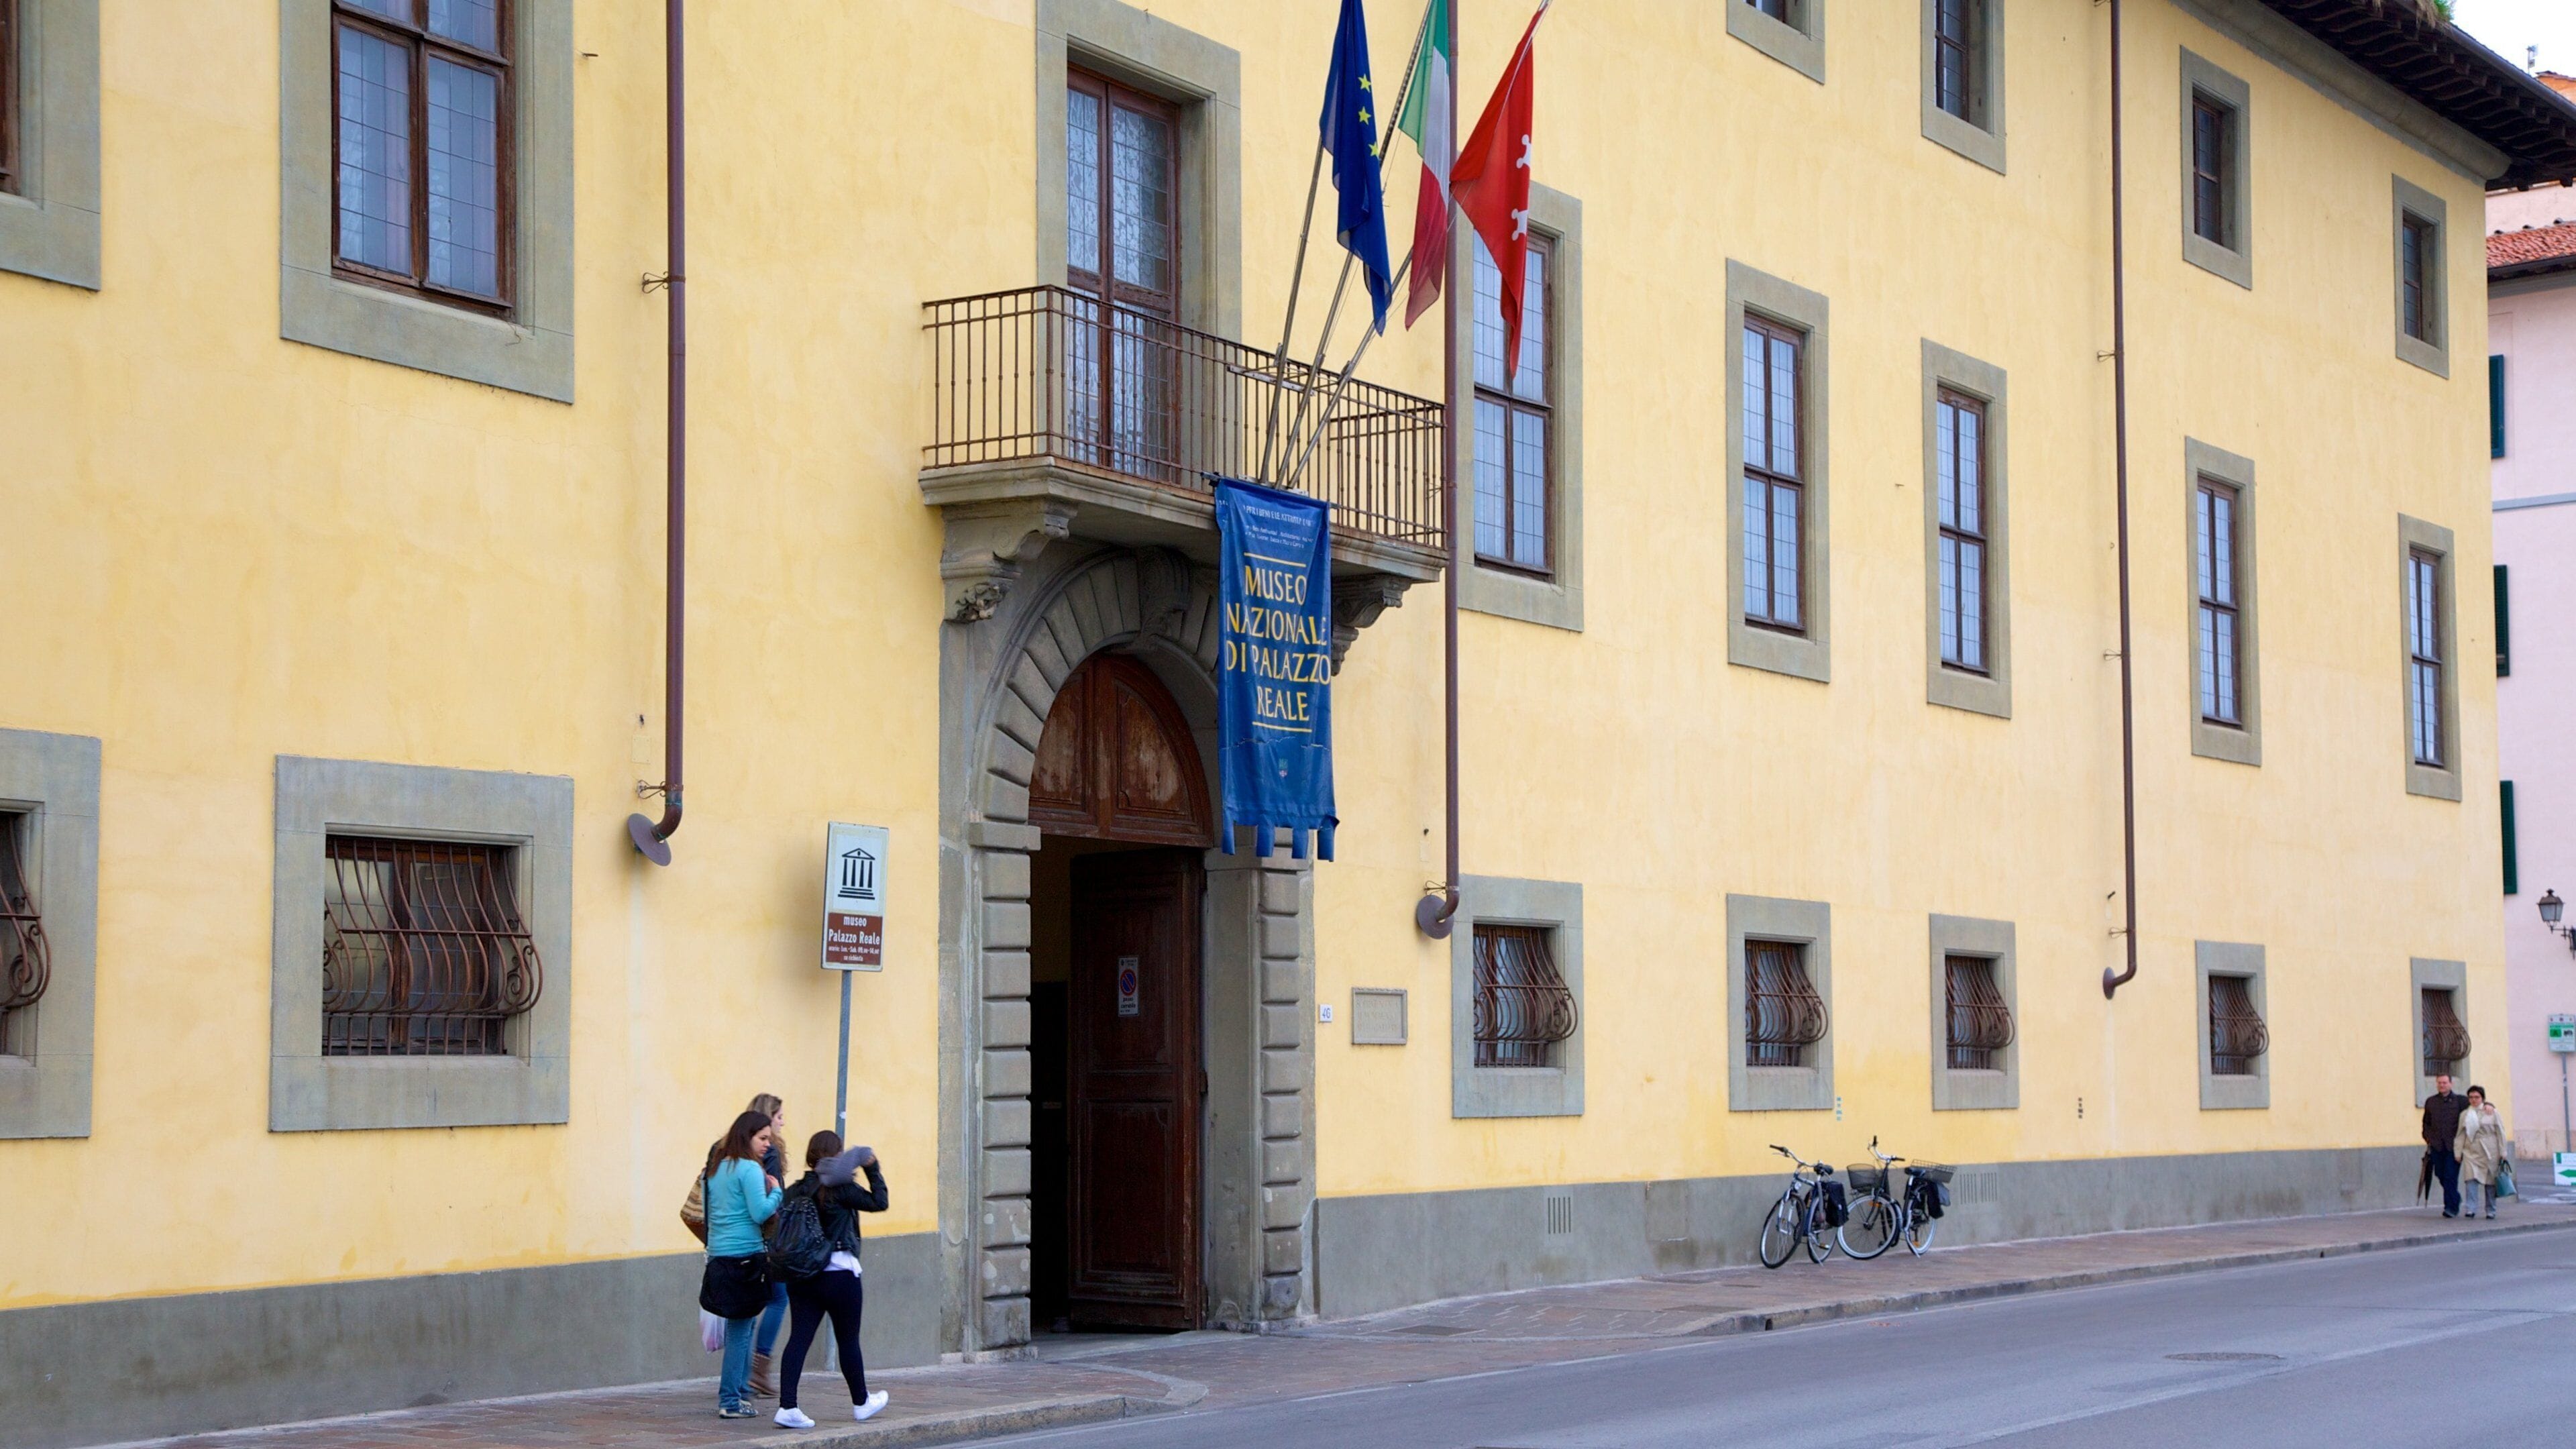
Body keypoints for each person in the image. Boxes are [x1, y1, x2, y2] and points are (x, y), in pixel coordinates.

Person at [771, 1130, 892, 1429]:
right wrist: (872, 1166)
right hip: (840, 1274)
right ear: (837, 1156)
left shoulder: (796, 1190)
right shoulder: (842, 1189)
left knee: (798, 1338)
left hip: (803, 1275)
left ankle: (788, 1406)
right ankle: (861, 1402)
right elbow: (880, 1202)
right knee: (848, 1340)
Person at [702, 1110, 783, 1419]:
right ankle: (731, 1401)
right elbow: (761, 1213)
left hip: (721, 1257)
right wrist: (776, 1191)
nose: (767, 1144)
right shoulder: (749, 1170)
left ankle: (736, 1396)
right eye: (762, 1138)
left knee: (744, 1327)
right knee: (739, 1332)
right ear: (745, 1136)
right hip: (746, 1258)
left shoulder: (717, 1168)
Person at [745, 1093, 791, 1399]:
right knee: (778, 1299)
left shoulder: (735, 1152)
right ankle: (759, 1371)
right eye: (778, 1117)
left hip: (741, 1237)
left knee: (748, 1304)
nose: (782, 1122)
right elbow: (775, 1197)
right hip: (769, 1237)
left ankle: (742, 1376)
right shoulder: (770, 1152)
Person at [2455, 1085, 2509, 1220]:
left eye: (2477, 1097)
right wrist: (2458, 1152)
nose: (2474, 1100)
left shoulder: (2492, 1112)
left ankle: (2491, 1210)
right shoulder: (2465, 1115)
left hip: (2490, 1151)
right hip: (2471, 1151)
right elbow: (2460, 1135)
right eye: (2471, 1097)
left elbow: (2500, 1132)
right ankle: (2470, 1209)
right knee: (2470, 1180)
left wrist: (2503, 1151)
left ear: (2483, 1098)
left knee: (2490, 1182)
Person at [2421, 1073, 2467, 1218]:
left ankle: (2451, 1208)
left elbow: (2478, 1106)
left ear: (2451, 1084)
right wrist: (2428, 1137)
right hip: (2437, 1146)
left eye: (2445, 1083)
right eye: (2440, 1083)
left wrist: (2489, 1106)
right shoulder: (2431, 1102)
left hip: (2454, 1147)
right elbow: (2426, 1123)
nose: (2442, 1085)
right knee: (2440, 1174)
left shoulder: (2461, 1101)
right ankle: (2456, 1198)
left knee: (2450, 1176)